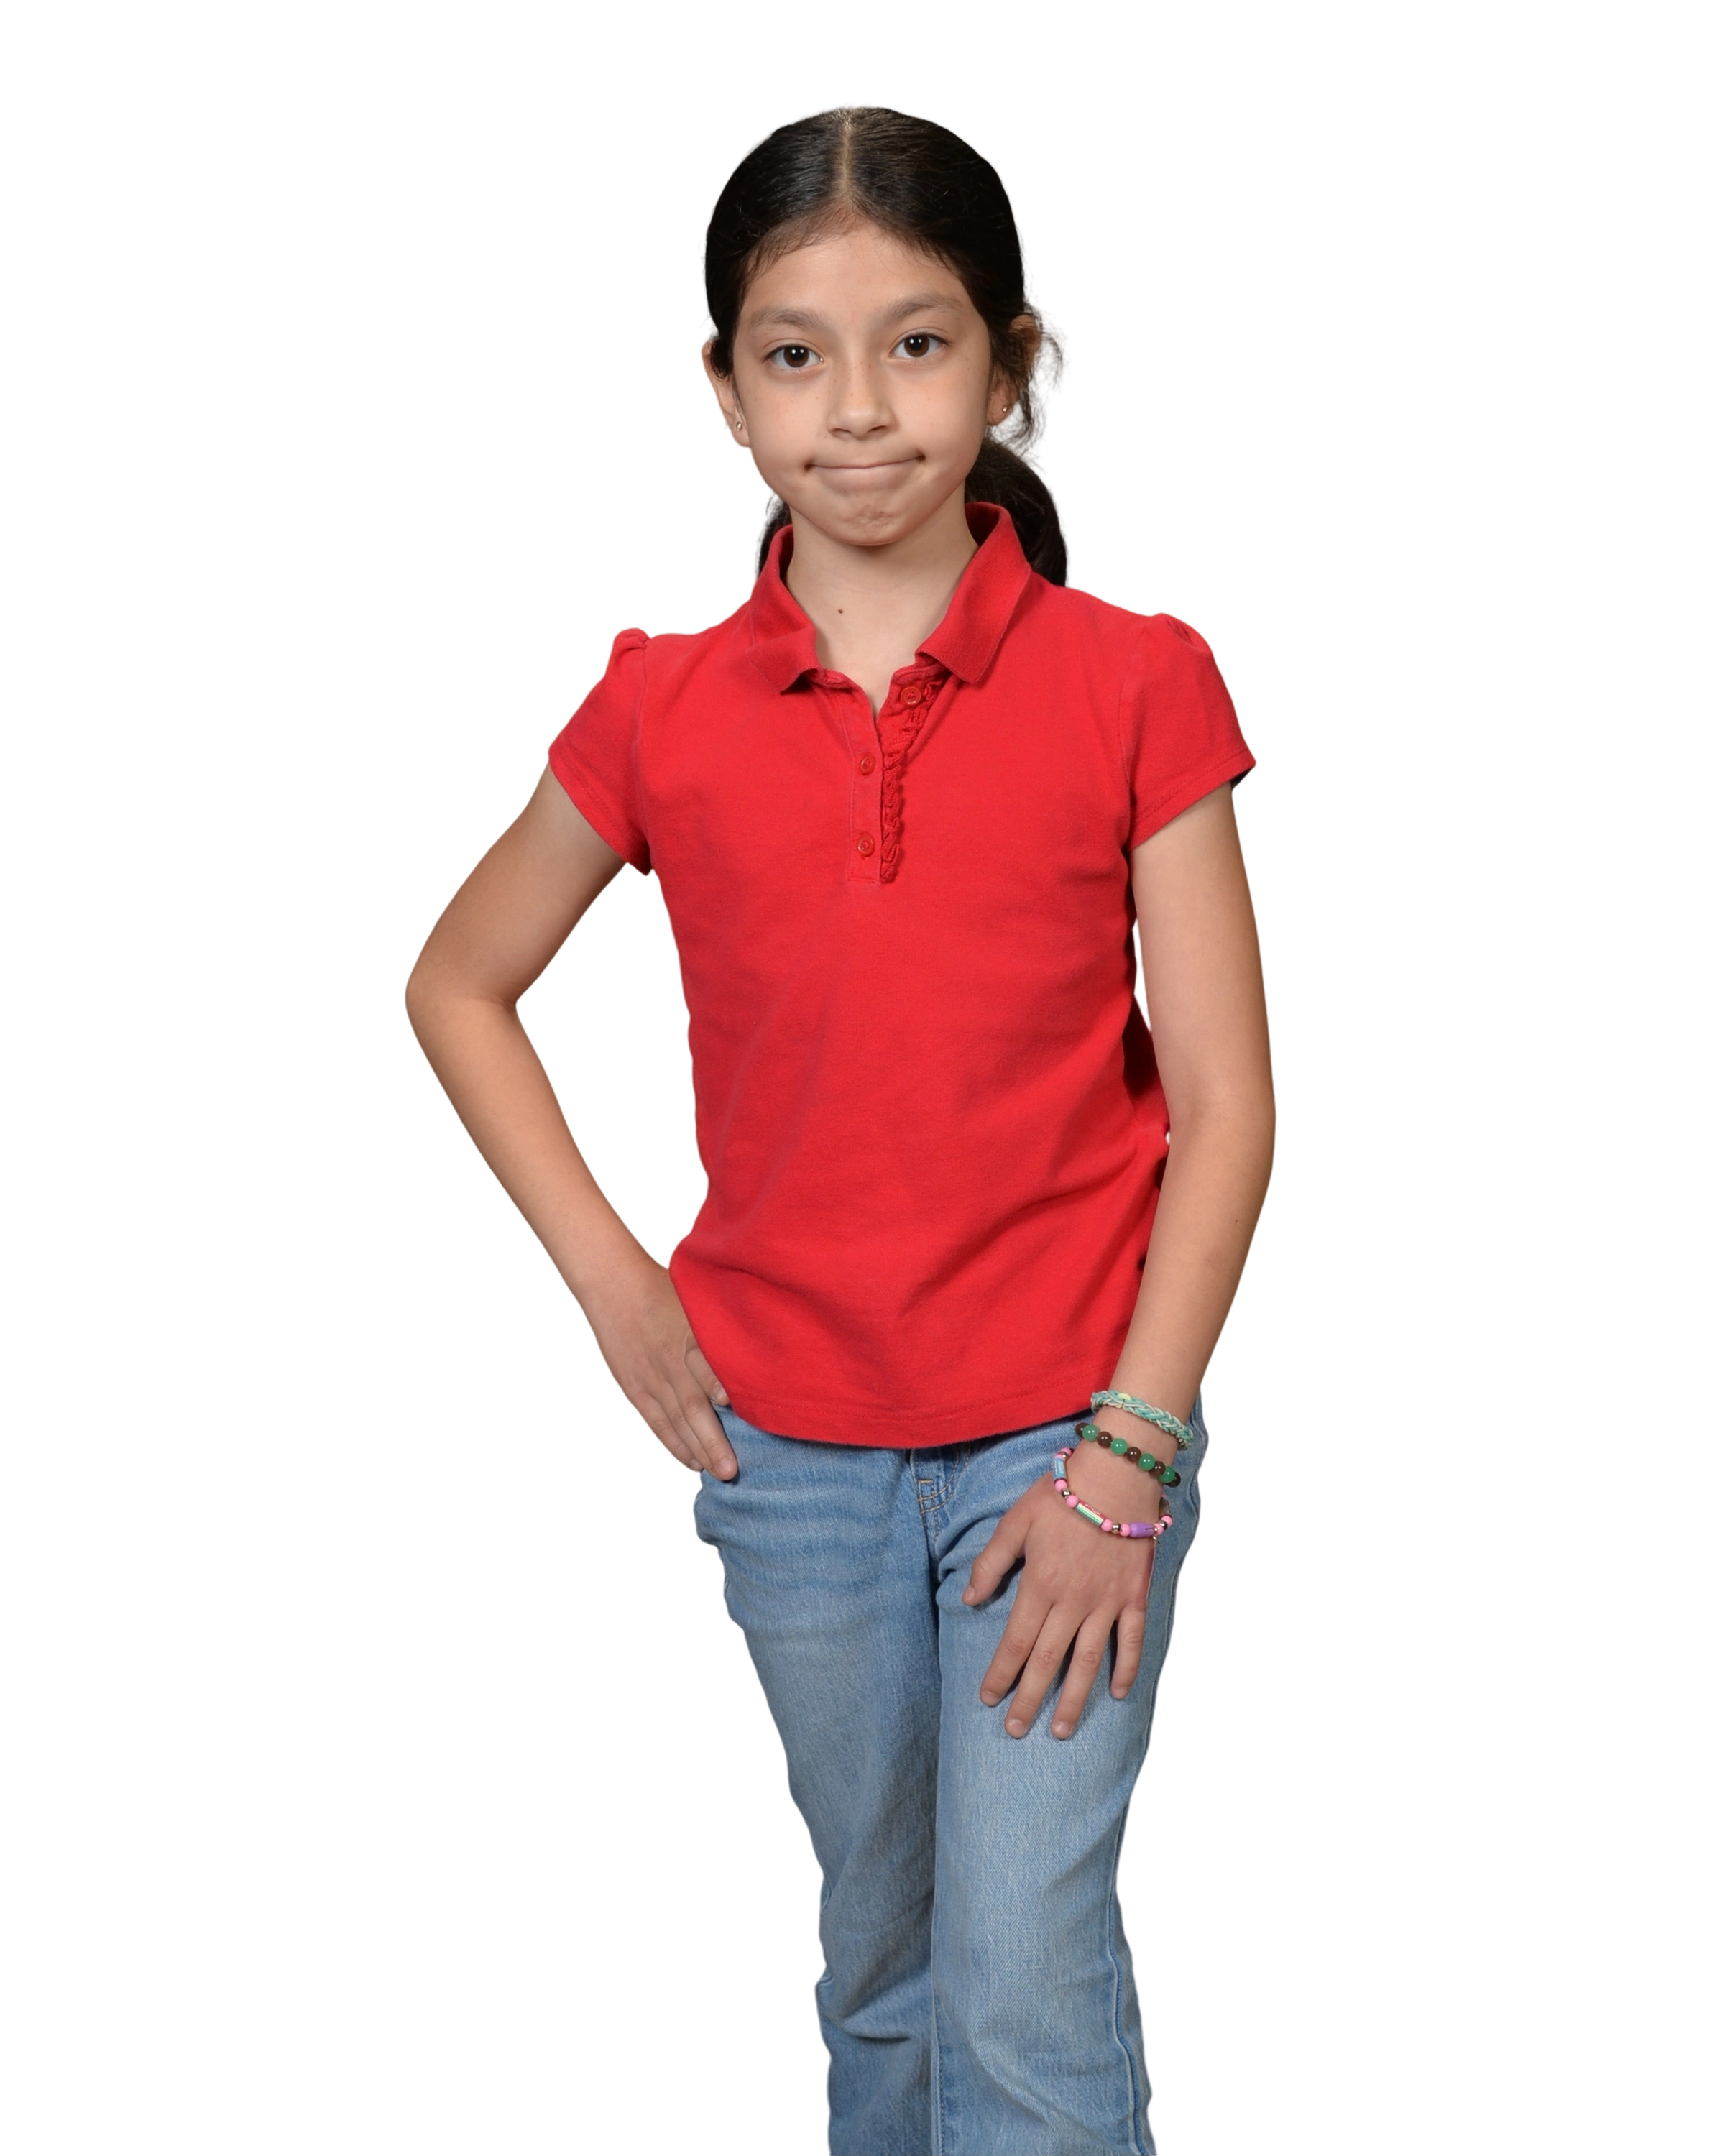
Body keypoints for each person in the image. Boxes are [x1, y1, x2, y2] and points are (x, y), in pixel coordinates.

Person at [403, 99, 1278, 2156]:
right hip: (786, 1455)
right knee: (884, 1960)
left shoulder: (1135, 682)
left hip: (1071, 1437)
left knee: (1025, 1972)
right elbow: (456, 984)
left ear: (1009, 366)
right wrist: (617, 1280)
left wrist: (1130, 1457)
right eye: (796, 354)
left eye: (919, 344)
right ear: (723, 391)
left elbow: (1230, 1106)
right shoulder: (658, 704)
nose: (861, 409)